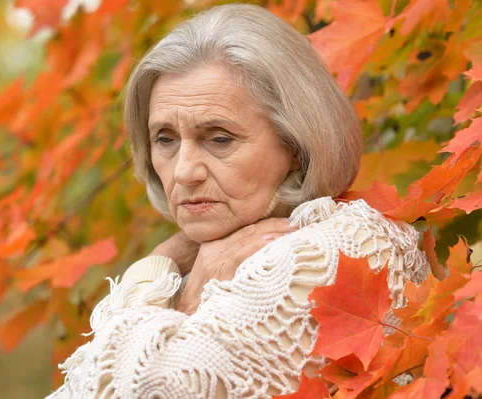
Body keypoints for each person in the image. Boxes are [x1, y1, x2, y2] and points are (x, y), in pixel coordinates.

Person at [46, 3, 430, 398]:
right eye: (165, 139)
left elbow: (138, 389)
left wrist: (170, 282)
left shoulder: (328, 252)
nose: (183, 171)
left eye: (219, 138)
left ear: (296, 145)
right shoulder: (207, 260)